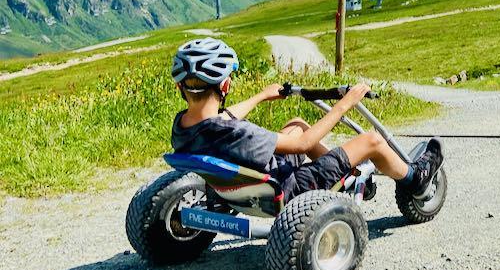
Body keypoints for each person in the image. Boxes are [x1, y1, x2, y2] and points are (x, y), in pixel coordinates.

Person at [169, 37, 442, 202]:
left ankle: (345, 175)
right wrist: (345, 103)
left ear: (181, 87)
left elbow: (221, 119)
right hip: (287, 187)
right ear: (225, 86)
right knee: (372, 140)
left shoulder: (184, 126)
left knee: (297, 123)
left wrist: (261, 96)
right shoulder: (238, 133)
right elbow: (304, 145)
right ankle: (415, 177)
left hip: (242, 184)